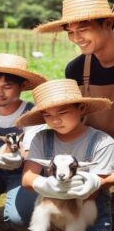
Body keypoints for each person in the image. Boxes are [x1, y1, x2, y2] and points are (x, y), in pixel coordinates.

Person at [17, 79, 114, 231]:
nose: (55, 120)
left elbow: (99, 185)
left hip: (89, 215)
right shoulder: (41, 139)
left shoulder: (102, 141)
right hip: (52, 214)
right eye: (47, 115)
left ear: (81, 108)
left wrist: (93, 182)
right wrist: (47, 185)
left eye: (62, 112)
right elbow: (27, 178)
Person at [0, 53, 47, 227]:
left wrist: (19, 155)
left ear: (22, 85)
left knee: (20, 218)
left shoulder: (32, 114)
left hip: (22, 172)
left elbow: (31, 151)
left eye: (7, 87)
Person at [35, 0, 114, 138]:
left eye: (83, 30)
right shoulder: (76, 68)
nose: (76, 38)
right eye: (70, 32)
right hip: (94, 151)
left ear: (108, 23)